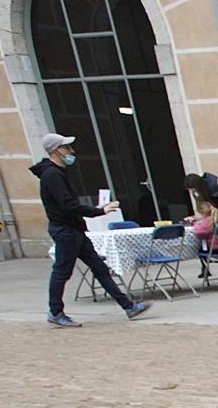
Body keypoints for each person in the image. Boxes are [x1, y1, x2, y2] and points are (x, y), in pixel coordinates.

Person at [30, 132, 150, 328]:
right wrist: (98, 211)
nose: (71, 151)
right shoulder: (52, 175)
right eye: (67, 148)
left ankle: (128, 306)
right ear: (57, 150)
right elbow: (67, 205)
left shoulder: (57, 173)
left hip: (74, 229)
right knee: (62, 272)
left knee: (100, 268)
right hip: (66, 230)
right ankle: (55, 311)